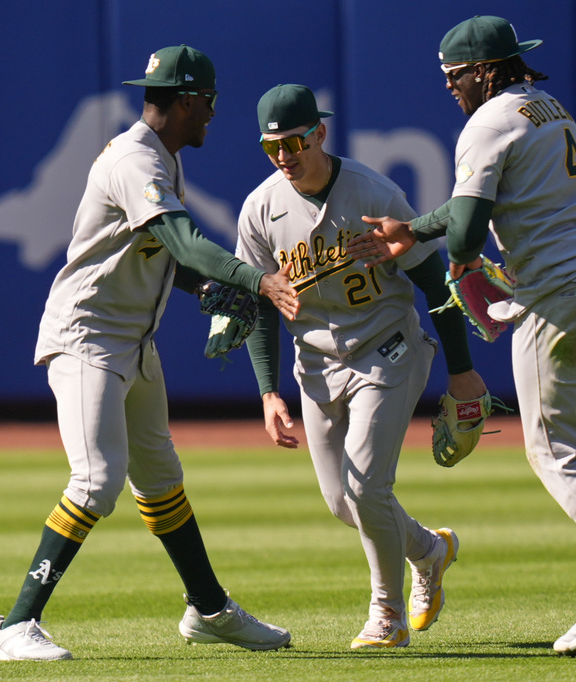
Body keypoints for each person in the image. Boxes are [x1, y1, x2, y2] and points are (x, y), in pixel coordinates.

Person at [348, 16, 576, 656]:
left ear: (484, 71)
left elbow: (469, 230)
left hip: (558, 294)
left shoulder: (485, 123)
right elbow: (465, 209)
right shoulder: (547, 108)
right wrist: (414, 230)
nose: (450, 89)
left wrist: (456, 262)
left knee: (548, 449)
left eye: (455, 77)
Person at [0, 45, 299, 661]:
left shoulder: (162, 157)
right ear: (186, 100)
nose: (212, 114)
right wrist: (254, 280)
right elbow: (182, 240)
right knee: (97, 481)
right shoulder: (137, 160)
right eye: (208, 103)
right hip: (88, 338)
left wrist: (208, 288)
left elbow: (159, 254)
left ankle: (210, 611)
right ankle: (15, 626)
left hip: (130, 340)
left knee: (161, 480)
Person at [225, 84, 487, 649]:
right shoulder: (260, 209)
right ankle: (430, 550)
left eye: (293, 142)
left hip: (387, 349)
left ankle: (386, 615)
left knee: (368, 488)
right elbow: (258, 305)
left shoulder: (373, 192)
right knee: (343, 503)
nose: (284, 156)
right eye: (272, 148)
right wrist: (268, 391)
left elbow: (434, 281)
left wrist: (461, 370)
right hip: (315, 365)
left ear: (319, 133)